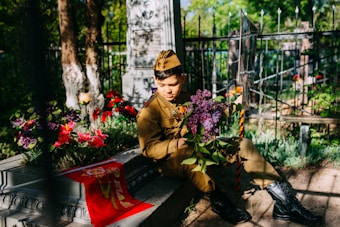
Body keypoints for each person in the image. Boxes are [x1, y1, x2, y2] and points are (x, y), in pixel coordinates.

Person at [136, 49, 323, 225]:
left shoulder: (186, 98)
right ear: (155, 80)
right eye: (161, 85)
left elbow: (207, 115)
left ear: (182, 79)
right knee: (189, 158)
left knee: (244, 145)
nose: (167, 90)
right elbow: (148, 150)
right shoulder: (149, 111)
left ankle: (285, 203)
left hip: (197, 148)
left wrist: (229, 107)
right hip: (172, 161)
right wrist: (176, 143)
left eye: (173, 84)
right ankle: (220, 201)